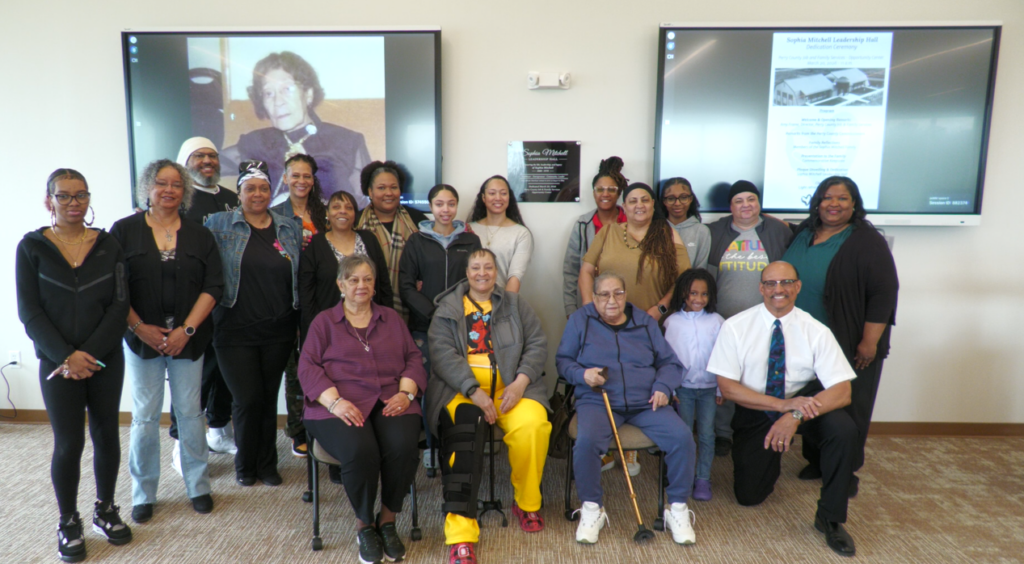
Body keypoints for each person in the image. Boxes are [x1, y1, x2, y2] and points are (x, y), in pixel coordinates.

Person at [16, 169, 132, 562]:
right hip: (56, 362)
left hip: (105, 359)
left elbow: (119, 306)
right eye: (64, 196)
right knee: (69, 442)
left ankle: (106, 508)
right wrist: (66, 356)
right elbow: (29, 312)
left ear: (88, 199)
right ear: (49, 201)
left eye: (80, 195)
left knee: (106, 434)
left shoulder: (109, 244)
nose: (73, 203)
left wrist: (91, 355)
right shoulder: (31, 247)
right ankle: (68, 520)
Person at [707, 261, 859, 557]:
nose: (779, 289)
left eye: (786, 282)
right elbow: (727, 387)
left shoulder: (816, 330)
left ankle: (830, 517)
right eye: (771, 283)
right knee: (749, 496)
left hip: (803, 404)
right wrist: (780, 406)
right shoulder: (736, 326)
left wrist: (794, 414)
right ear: (761, 288)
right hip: (758, 406)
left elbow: (842, 391)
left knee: (843, 430)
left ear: (798, 287)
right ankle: (771, 456)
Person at [111, 160, 222, 523]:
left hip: (187, 340)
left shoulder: (199, 234)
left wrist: (185, 331)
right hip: (141, 339)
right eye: (162, 183)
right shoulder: (123, 231)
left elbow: (213, 287)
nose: (170, 190)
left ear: (185, 191)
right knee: (144, 417)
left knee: (191, 413)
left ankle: (198, 486)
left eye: (177, 184)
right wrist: (139, 326)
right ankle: (143, 493)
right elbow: (115, 289)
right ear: (147, 188)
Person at [299, 254, 427, 564]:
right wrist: (335, 401)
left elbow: (413, 357)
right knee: (360, 450)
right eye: (354, 279)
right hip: (338, 403)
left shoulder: (391, 319)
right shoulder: (324, 322)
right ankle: (364, 525)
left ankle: (387, 520)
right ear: (341, 284)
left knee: (403, 444)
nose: (361, 285)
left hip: (389, 397)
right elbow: (308, 366)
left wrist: (406, 393)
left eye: (367, 279)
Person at [425, 249, 550, 564]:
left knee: (533, 425)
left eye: (488, 267)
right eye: (475, 267)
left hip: (513, 391)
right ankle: (460, 534)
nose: (482, 273)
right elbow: (441, 355)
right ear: (466, 273)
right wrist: (473, 392)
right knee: (464, 434)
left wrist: (521, 383)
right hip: (461, 393)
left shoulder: (514, 304)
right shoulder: (448, 308)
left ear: (498, 272)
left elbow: (537, 343)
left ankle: (526, 502)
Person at [556, 272, 697, 545]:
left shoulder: (645, 322)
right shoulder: (580, 321)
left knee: (682, 439)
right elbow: (563, 361)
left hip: (646, 402)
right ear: (594, 298)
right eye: (604, 295)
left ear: (625, 294)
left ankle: (677, 509)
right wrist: (582, 374)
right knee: (586, 442)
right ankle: (592, 508)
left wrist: (663, 387)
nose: (612, 300)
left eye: (618, 293)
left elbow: (670, 363)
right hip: (599, 399)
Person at [781, 176, 898, 492]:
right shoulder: (804, 232)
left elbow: (884, 293)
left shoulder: (865, 240)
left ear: (855, 204)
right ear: (816, 202)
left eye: (842, 198)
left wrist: (869, 341)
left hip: (847, 341)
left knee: (848, 408)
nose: (834, 204)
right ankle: (817, 460)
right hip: (803, 339)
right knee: (810, 398)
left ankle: (844, 472)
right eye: (827, 198)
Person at [578, 181, 690, 475]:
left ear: (654, 205)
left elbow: (684, 280)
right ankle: (607, 445)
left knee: (638, 381)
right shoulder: (609, 231)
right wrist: (592, 308)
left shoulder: (667, 234)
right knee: (609, 377)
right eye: (632, 201)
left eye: (645, 200)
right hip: (605, 322)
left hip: (648, 324)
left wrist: (659, 310)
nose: (639, 205)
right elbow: (587, 270)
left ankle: (632, 451)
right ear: (624, 207)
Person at [205, 160, 302, 487]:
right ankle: (245, 466)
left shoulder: (289, 226)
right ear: (240, 192)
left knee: (266, 397)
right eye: (250, 188)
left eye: (263, 187)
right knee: (246, 399)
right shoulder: (219, 224)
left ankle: (267, 464)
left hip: (279, 329)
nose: (257, 194)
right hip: (233, 329)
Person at [706, 180, 794, 457]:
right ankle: (722, 434)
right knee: (725, 378)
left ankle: (759, 428)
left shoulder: (778, 231)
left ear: (759, 203)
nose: (746, 205)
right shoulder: (715, 231)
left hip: (765, 321)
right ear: (730, 206)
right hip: (724, 321)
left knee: (758, 375)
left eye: (751, 199)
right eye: (739, 201)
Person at [398, 184, 481, 471]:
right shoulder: (416, 241)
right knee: (431, 388)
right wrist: (435, 314)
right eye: (439, 204)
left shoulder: (471, 241)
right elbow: (406, 286)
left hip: (464, 325)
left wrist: (457, 314)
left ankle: (459, 445)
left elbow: (478, 281)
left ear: (457, 206)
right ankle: (431, 447)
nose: (445, 210)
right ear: (431, 207)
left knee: (461, 384)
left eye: (451, 204)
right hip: (426, 326)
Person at [168, 137, 239, 458]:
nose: (207, 161)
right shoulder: (179, 200)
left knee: (226, 370)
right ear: (185, 161)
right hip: (193, 303)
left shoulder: (232, 198)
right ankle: (181, 442)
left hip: (231, 303)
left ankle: (219, 429)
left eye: (212, 155)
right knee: (195, 373)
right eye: (199, 156)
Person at [229, 51, 372, 208]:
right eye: (269, 93)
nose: (278, 102)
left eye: (287, 89)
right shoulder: (254, 143)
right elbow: (205, 165)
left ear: (308, 94)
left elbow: (363, 207)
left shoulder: (346, 141)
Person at [271, 153, 329, 459]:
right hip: (288, 301)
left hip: (323, 301)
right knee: (295, 369)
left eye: (307, 176)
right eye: (296, 175)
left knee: (324, 366)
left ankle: (323, 426)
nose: (301, 181)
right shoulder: (275, 214)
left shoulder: (325, 213)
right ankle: (297, 430)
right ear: (285, 177)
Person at [299, 190, 393, 344]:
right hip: (329, 329)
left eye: (349, 208)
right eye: (336, 207)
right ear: (327, 214)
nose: (343, 211)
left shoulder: (369, 239)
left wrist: (387, 321)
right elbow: (306, 294)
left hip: (370, 325)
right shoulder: (314, 245)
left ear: (355, 214)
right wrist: (316, 328)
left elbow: (384, 284)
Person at [662, 268, 724, 501]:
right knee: (683, 434)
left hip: (709, 389)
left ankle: (703, 478)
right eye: (693, 294)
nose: (698, 299)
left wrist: (721, 387)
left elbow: (724, 356)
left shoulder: (717, 321)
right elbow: (668, 359)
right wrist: (671, 388)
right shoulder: (672, 322)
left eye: (704, 294)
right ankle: (682, 477)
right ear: (683, 294)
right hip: (683, 390)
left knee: (707, 434)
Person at [355, 161, 428, 321]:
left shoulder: (418, 221)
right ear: (370, 191)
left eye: (393, 187)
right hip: (366, 307)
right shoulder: (356, 223)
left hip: (413, 310)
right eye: (381, 188)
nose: (389, 193)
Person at [562, 156, 627, 317]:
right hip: (592, 305)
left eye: (611, 189)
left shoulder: (631, 221)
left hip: (626, 301)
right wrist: (571, 310)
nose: (605, 194)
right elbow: (571, 271)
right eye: (600, 189)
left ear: (619, 192)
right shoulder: (583, 224)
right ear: (593, 193)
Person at [468, 175, 533, 293]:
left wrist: (504, 307)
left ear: (509, 197)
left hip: (502, 300)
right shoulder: (469, 229)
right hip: (470, 302)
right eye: (492, 193)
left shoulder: (521, 233)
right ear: (483, 197)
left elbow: (515, 277)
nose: (498, 198)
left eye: (503, 193)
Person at [660, 177, 711, 269]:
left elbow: (701, 270)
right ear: (664, 201)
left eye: (683, 197)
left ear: (691, 199)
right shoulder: (656, 229)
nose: (677, 203)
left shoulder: (701, 231)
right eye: (671, 198)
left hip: (690, 283)